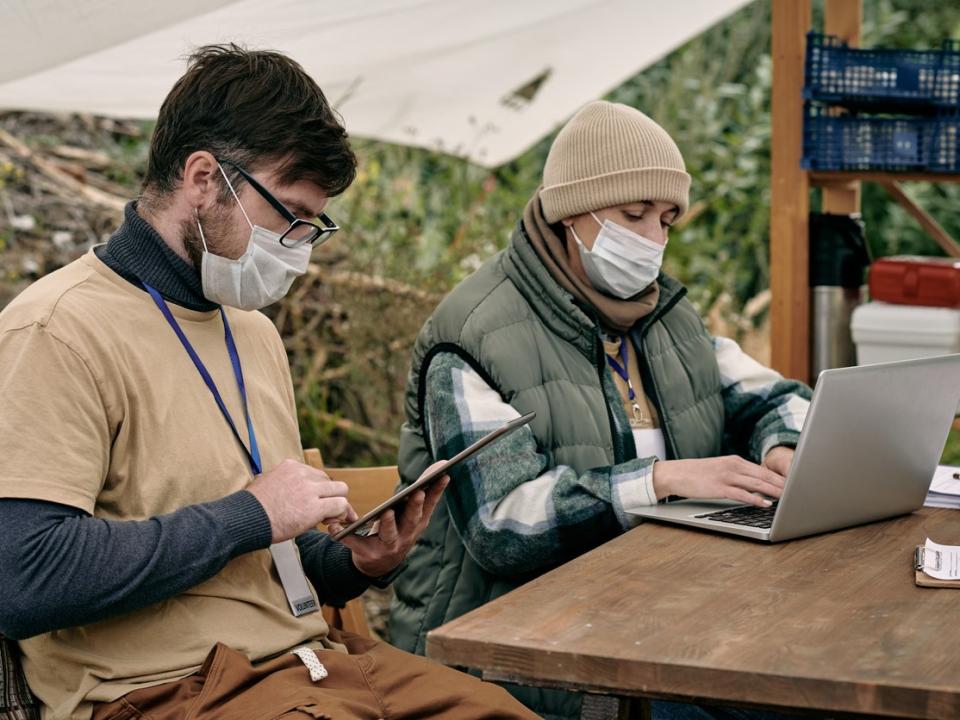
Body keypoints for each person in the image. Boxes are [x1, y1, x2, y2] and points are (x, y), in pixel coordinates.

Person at [0, 45, 538, 720]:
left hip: (317, 664)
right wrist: (250, 514)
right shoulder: (55, 330)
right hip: (168, 691)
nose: (301, 249)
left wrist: (354, 563)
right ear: (202, 178)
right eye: (288, 215)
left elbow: (263, 554)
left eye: (314, 225)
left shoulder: (249, 330)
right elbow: (23, 577)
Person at [390, 101, 812, 719]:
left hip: (655, 627)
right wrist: (662, 482)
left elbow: (781, 399)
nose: (652, 241)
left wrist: (782, 448)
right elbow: (502, 527)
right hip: (515, 660)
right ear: (569, 213)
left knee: (804, 694)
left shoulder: (665, 318)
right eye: (633, 214)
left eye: (667, 220)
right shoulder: (473, 335)